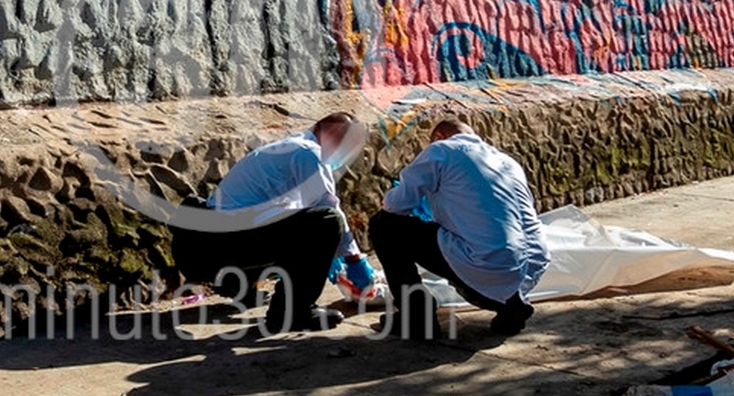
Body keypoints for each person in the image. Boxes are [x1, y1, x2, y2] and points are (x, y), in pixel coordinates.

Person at [169, 112, 371, 332]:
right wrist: (354, 261)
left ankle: (240, 286)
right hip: (217, 248)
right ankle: (291, 313)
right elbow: (329, 209)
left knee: (300, 226)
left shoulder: (289, 148)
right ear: (330, 133)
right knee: (327, 222)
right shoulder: (308, 153)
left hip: (204, 244)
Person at [369, 118, 549, 339]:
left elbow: (397, 205)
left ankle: (415, 317)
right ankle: (511, 305)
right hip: (533, 265)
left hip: (486, 264)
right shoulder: (507, 161)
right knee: (485, 245)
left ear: (438, 137)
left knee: (383, 225)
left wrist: (389, 203)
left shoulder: (442, 150)